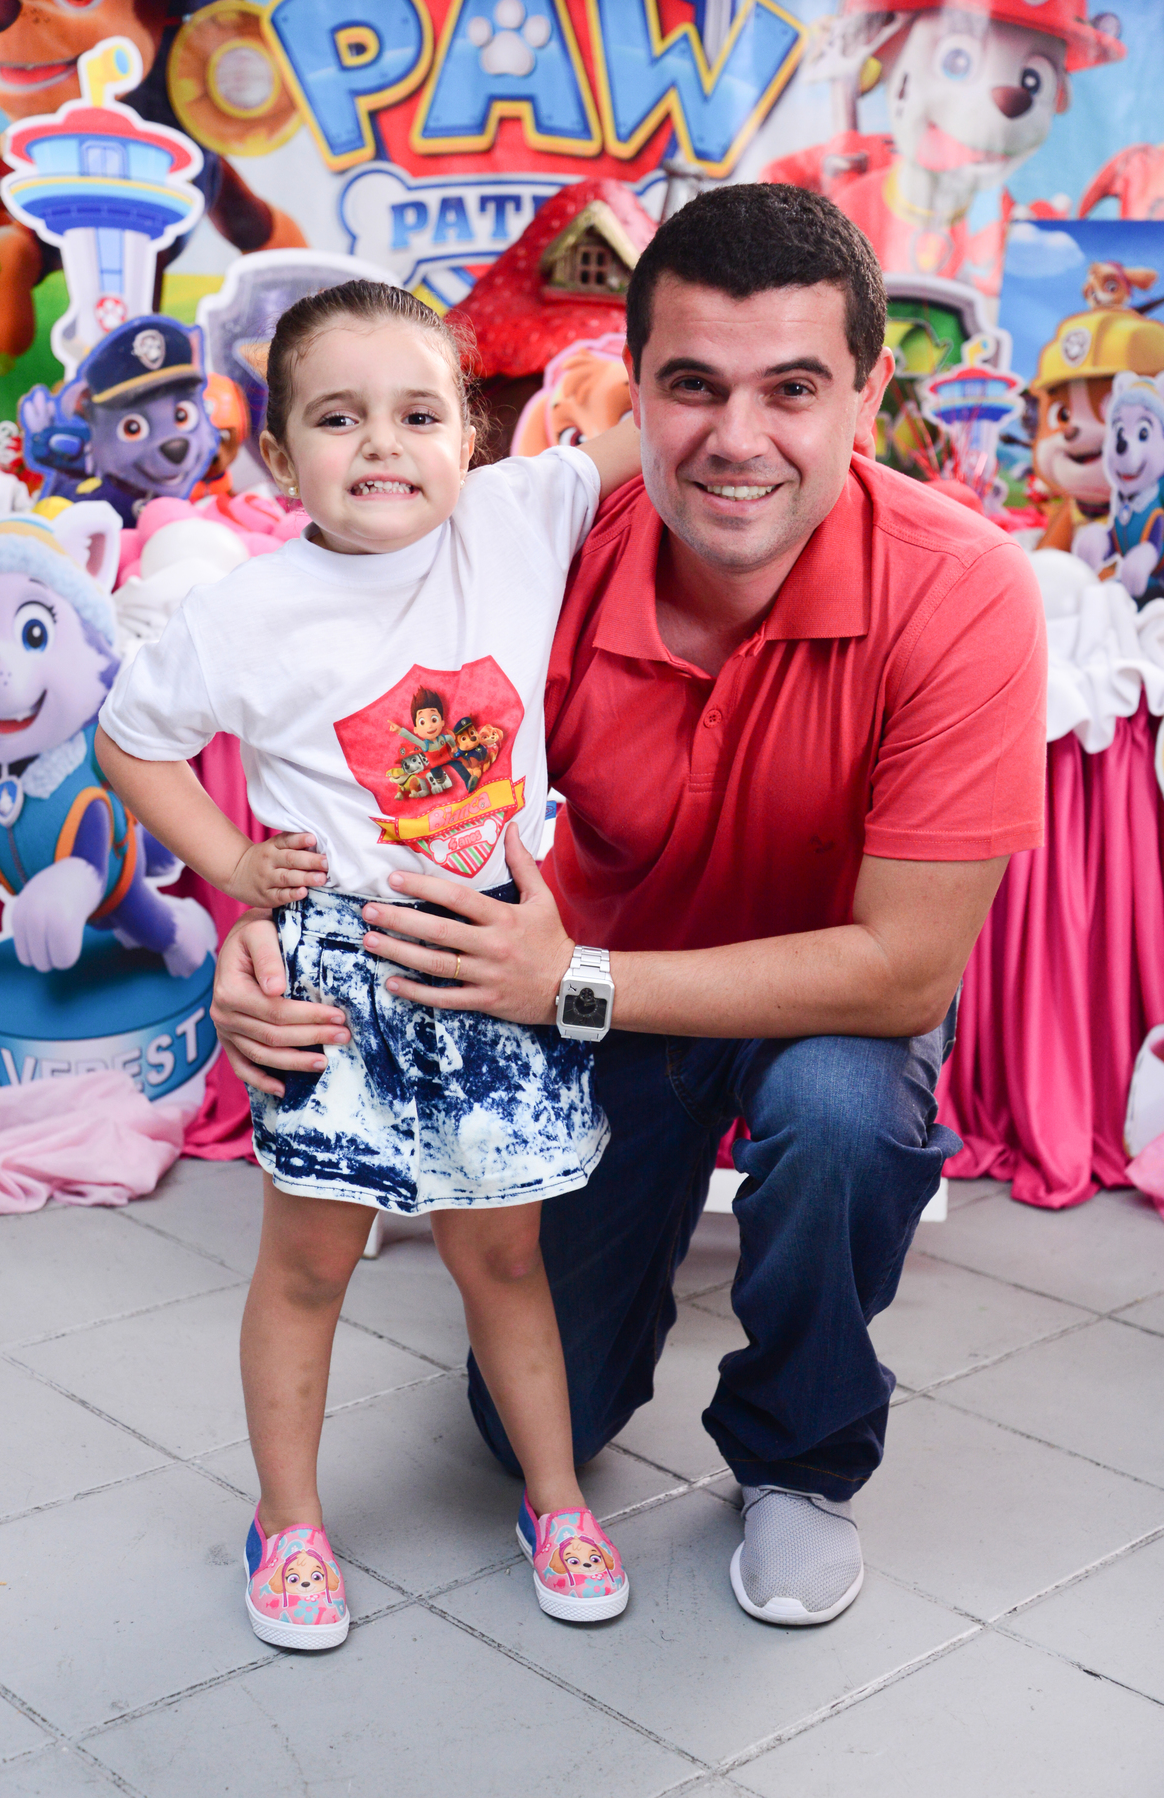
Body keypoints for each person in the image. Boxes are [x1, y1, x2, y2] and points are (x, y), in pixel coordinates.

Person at [209, 186, 1048, 1629]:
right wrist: (264, 920)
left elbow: (907, 971)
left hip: (797, 1005)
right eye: (694, 385)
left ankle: (798, 1458)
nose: (738, 438)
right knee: (527, 1426)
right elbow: (360, 739)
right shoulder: (541, 548)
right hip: (589, 995)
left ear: (870, 394)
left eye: (794, 389)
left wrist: (571, 982)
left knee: (840, 1118)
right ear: (634, 387)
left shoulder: (965, 589)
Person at [94, 279, 644, 1647]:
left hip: (494, 960)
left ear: (472, 434)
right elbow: (130, 741)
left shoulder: (522, 516)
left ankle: (557, 1500)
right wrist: (234, 864)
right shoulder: (247, 610)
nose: (384, 444)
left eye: (419, 414)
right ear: (280, 457)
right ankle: (287, 1522)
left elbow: (670, 426)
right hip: (337, 980)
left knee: (504, 1261)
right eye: (339, 418)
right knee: (308, 1264)